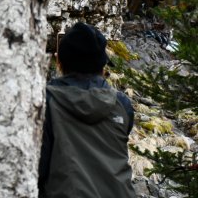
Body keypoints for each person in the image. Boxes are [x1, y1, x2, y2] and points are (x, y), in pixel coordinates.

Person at [38, 22, 135, 198]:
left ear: (59, 62)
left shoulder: (47, 102)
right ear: (103, 66)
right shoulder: (122, 105)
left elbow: (37, 169)